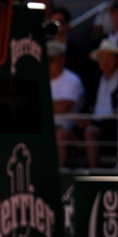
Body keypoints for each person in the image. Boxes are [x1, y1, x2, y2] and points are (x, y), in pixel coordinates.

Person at [82, 38, 118, 168]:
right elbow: (87, 104)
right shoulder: (94, 81)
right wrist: (83, 118)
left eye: (109, 57)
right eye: (102, 57)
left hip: (116, 125)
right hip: (95, 123)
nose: (104, 62)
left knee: (90, 133)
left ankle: (95, 173)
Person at [48, 40, 85, 168]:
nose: (48, 63)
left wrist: (44, 103)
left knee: (59, 135)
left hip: (68, 129)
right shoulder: (42, 79)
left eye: (51, 59)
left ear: (62, 59)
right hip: (43, 125)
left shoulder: (72, 80)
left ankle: (59, 173)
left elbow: (62, 108)